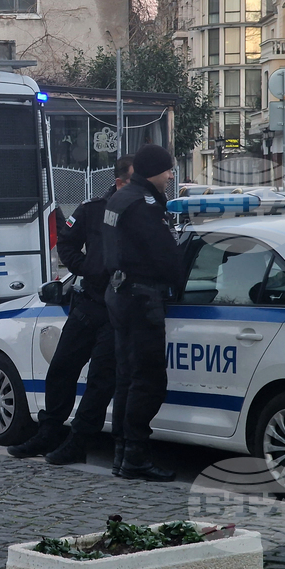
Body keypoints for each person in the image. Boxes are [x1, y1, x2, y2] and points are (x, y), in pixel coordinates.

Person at [7, 156, 134, 462]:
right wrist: (87, 268)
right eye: (133, 182)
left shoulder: (143, 215)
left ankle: (78, 442)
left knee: (100, 382)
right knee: (62, 369)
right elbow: (66, 244)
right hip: (88, 303)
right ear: (119, 183)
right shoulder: (92, 210)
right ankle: (48, 433)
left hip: (118, 311)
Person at [102, 144, 183, 481]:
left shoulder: (119, 199)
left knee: (127, 378)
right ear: (154, 171)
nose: (170, 176)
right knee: (149, 380)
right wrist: (179, 280)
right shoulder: (144, 206)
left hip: (119, 295)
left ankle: (122, 455)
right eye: (168, 170)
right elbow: (166, 258)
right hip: (141, 298)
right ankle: (135, 455)